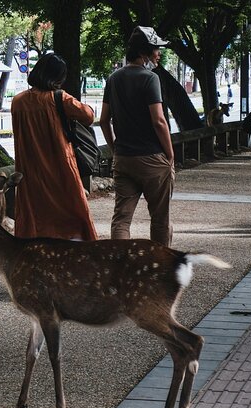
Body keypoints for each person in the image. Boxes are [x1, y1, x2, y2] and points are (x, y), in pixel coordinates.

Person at [99, 26, 175, 247]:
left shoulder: (113, 79)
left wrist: (115, 150)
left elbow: (104, 119)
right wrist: (170, 155)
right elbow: (159, 120)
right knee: (160, 219)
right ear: (144, 53)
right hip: (152, 158)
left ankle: (121, 267)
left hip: (123, 159)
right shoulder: (150, 79)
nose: (159, 54)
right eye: (156, 50)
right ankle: (160, 268)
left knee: (121, 219)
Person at [11, 53, 98, 241]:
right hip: (61, 168)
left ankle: (36, 251)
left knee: (35, 215)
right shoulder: (59, 98)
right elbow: (88, 116)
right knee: (72, 211)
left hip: (30, 171)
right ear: (58, 77)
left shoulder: (18, 101)